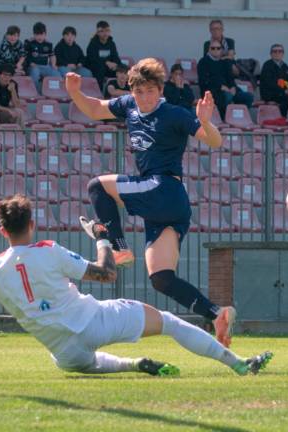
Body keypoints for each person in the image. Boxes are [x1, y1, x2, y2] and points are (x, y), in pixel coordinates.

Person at [0, 195, 273, 377]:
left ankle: (132, 365)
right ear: (32, 224)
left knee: (79, 364)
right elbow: (106, 273)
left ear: (2, 231)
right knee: (170, 323)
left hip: (62, 350)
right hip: (95, 320)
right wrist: (102, 239)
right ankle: (239, 365)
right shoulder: (49, 250)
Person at [64, 58, 237, 347]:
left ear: (160, 90)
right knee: (161, 279)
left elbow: (215, 142)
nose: (144, 98)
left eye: (150, 91)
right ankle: (216, 314)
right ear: (131, 91)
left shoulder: (174, 114)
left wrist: (206, 121)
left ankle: (118, 249)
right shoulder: (129, 106)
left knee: (97, 187)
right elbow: (95, 109)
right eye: (138, 91)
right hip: (169, 205)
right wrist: (75, 93)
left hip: (164, 187)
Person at [198, 40, 254, 118]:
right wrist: (220, 87)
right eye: (213, 48)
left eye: (218, 48)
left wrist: (233, 87)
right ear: (209, 49)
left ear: (221, 50)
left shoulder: (224, 62)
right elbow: (204, 81)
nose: (216, 50)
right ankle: (225, 118)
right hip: (213, 92)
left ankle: (239, 117)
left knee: (248, 97)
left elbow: (230, 78)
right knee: (227, 96)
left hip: (228, 90)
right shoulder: (203, 62)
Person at [259, 43, 288, 117]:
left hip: (282, 93)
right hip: (270, 94)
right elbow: (269, 83)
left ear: (283, 53)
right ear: (271, 54)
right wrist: (284, 91)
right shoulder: (267, 65)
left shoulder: (285, 67)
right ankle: (282, 119)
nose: (277, 53)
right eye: (275, 51)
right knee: (287, 99)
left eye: (280, 51)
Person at [24, 22, 60, 93]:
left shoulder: (48, 44)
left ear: (45, 34)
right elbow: (24, 55)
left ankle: (55, 93)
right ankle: (35, 93)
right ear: (34, 34)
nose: (40, 37)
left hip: (45, 66)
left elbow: (52, 55)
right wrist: (30, 63)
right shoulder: (29, 42)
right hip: (33, 66)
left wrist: (53, 64)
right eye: (37, 35)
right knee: (35, 73)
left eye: (42, 34)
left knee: (56, 74)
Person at [0, 63, 25, 127]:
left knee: (19, 111)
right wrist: (8, 110)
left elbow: (17, 105)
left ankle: (19, 134)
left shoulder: (13, 84)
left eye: (10, 75)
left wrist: (13, 91)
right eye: (5, 75)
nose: (7, 78)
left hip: (3, 111)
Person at [85, 21, 123, 88]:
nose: (105, 33)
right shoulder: (93, 44)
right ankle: (100, 93)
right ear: (98, 33)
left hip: (109, 68)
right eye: (102, 31)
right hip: (96, 68)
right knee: (100, 69)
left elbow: (115, 57)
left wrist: (116, 65)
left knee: (123, 69)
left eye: (107, 31)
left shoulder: (111, 43)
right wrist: (106, 62)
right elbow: (93, 59)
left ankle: (122, 91)